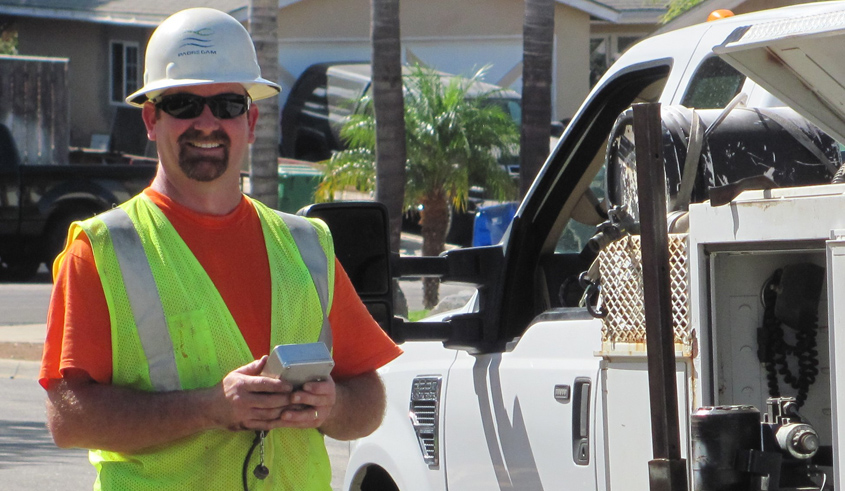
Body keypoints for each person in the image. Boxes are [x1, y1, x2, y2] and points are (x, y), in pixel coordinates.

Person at [39, 7, 402, 490]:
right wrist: (209, 408)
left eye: (227, 104)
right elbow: (70, 420)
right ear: (151, 119)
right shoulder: (103, 249)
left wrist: (331, 404)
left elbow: (369, 398)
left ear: (250, 121)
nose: (207, 122)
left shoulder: (306, 245)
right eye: (184, 103)